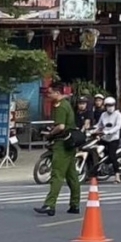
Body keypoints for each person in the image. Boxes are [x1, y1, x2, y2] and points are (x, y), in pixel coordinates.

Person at [34, 83, 80, 217]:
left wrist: (49, 134)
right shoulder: (67, 104)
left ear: (57, 93)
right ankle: (74, 204)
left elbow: (60, 126)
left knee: (57, 175)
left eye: (50, 93)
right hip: (70, 144)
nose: (48, 96)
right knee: (72, 176)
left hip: (62, 144)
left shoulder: (60, 106)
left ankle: (50, 204)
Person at [96, 96, 121, 183]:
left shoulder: (118, 114)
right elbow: (99, 126)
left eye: (112, 105)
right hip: (104, 138)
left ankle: (117, 175)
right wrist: (93, 130)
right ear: (105, 106)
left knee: (112, 156)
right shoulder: (103, 115)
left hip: (113, 139)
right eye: (108, 105)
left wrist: (108, 132)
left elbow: (118, 127)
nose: (110, 107)